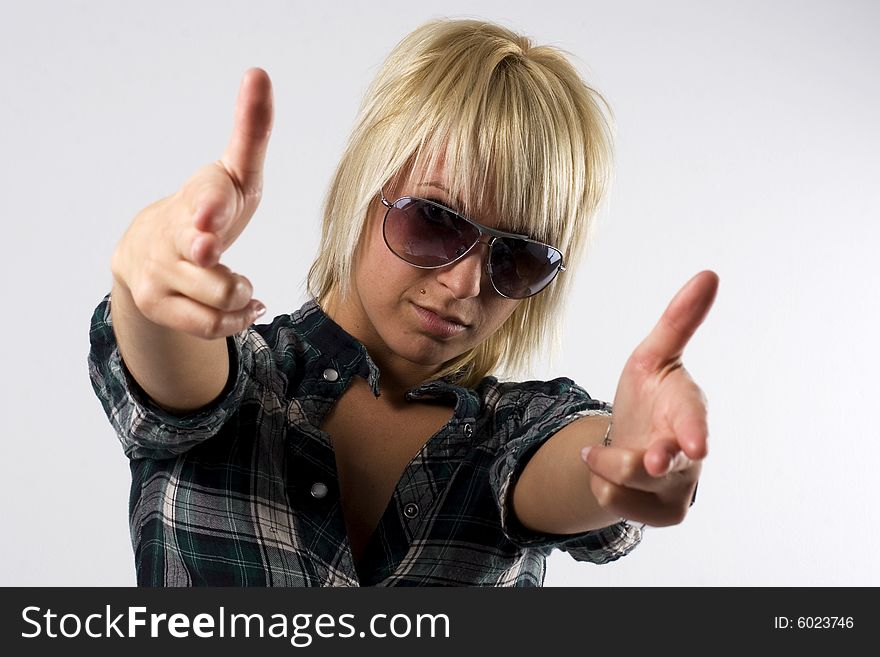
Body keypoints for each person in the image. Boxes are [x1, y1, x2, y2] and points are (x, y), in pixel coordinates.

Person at [88, 18, 718, 586]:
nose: (466, 283)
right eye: (436, 220)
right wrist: (147, 262)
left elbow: (576, 464)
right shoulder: (247, 382)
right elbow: (173, 362)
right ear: (367, 185)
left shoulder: (508, 436)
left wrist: (633, 457)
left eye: (517, 257)